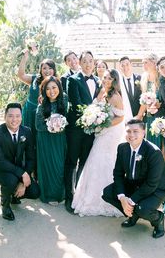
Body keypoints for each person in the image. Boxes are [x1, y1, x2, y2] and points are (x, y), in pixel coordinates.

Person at [102, 119, 165, 238]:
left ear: (143, 132)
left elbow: (152, 183)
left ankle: (158, 219)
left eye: (136, 131)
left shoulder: (153, 152)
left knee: (142, 209)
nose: (131, 135)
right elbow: (118, 174)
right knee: (108, 192)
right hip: (135, 184)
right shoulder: (122, 148)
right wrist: (123, 197)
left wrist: (131, 201)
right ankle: (132, 215)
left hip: (157, 188)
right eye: (128, 131)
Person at [72, 69, 125, 217]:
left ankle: (107, 199)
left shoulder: (115, 96)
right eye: (105, 77)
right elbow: (95, 107)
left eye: (110, 78)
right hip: (102, 130)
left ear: (114, 81)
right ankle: (91, 197)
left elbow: (121, 118)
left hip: (111, 132)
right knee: (96, 160)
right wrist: (94, 119)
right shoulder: (102, 91)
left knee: (104, 160)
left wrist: (104, 125)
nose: (107, 80)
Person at [0, 103, 40, 221]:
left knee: (35, 192)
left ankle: (14, 195)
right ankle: (5, 205)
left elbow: (31, 158)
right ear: (5, 116)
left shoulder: (27, 132)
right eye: (10, 116)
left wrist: (23, 182)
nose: (14, 119)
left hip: (16, 169)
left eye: (17, 116)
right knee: (11, 180)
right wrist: (22, 174)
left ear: (21, 117)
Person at [64, 51, 102, 213]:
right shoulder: (72, 80)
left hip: (92, 130)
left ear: (94, 63)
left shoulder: (98, 81)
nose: (88, 64)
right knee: (72, 162)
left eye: (90, 61)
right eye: (84, 61)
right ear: (79, 63)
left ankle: (79, 195)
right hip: (76, 129)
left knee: (85, 163)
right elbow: (77, 104)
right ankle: (68, 195)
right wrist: (93, 115)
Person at [35, 76, 67, 205]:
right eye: (47, 89)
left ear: (59, 88)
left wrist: (61, 124)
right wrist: (52, 125)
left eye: (54, 87)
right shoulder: (42, 104)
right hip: (46, 140)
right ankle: (49, 195)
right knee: (47, 166)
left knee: (59, 166)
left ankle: (60, 193)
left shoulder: (64, 100)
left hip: (59, 139)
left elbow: (67, 119)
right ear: (44, 90)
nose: (51, 91)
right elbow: (38, 126)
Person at [17, 52, 57, 145]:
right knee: (28, 138)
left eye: (50, 68)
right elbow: (21, 75)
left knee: (41, 140)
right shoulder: (34, 79)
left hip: (45, 114)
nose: (47, 71)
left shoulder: (56, 82)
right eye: (44, 68)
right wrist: (24, 58)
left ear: (54, 70)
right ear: (40, 70)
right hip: (30, 112)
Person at [118, 56, 142, 122]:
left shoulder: (140, 78)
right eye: (122, 65)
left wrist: (140, 115)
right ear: (120, 67)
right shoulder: (118, 82)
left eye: (127, 64)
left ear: (131, 65)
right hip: (125, 118)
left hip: (140, 117)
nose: (125, 67)